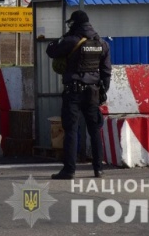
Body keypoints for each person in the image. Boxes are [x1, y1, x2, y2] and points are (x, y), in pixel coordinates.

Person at [46, 10, 111, 180]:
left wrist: (62, 37)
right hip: (93, 91)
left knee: (71, 130)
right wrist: (104, 91)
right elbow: (106, 71)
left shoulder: (71, 40)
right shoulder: (101, 43)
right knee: (94, 130)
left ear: (74, 23)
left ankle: (69, 170)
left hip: (73, 92)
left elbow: (51, 51)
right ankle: (98, 169)